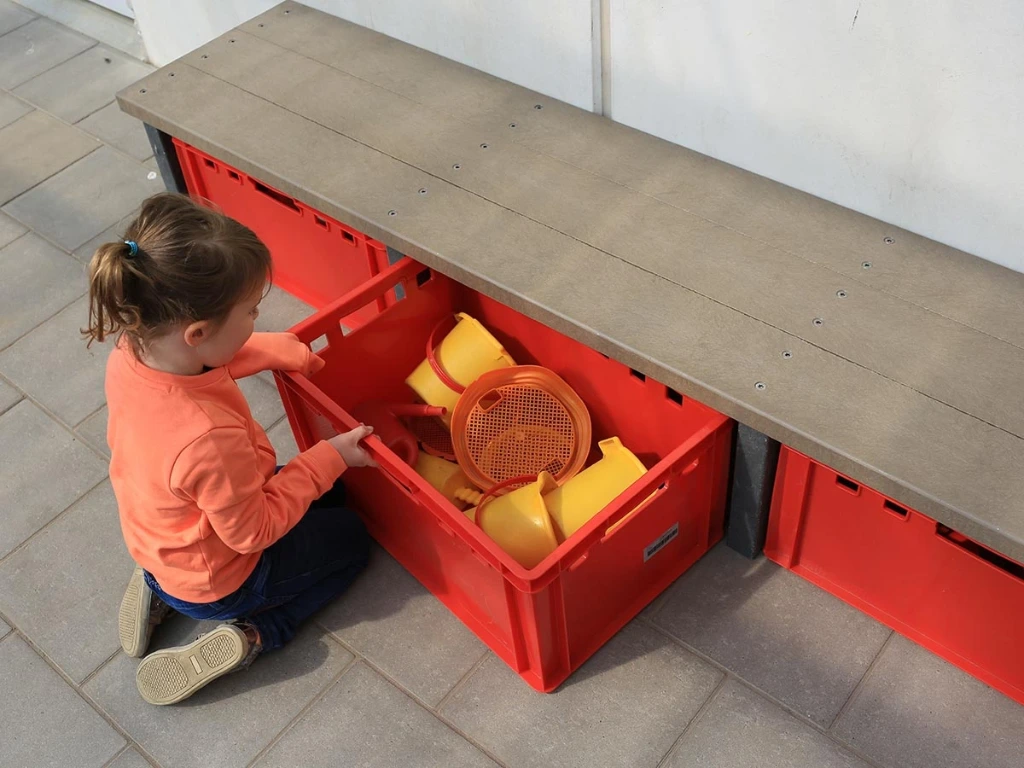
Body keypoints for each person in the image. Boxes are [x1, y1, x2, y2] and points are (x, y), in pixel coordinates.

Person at [85, 192, 376, 705]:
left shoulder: (134, 352)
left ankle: (162, 590)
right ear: (196, 331)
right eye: (251, 311)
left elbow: (208, 361)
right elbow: (253, 532)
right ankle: (255, 633)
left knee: (329, 498)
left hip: (164, 539)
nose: (257, 317)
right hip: (227, 576)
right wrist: (329, 456)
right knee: (351, 539)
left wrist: (272, 347)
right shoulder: (206, 440)